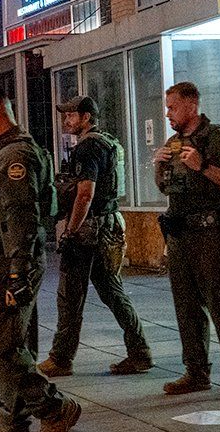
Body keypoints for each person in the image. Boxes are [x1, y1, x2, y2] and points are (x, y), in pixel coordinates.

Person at [0, 86, 81, 432]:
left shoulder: (15, 155)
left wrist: (16, 271)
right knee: (1, 346)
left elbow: (21, 215)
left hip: (6, 263)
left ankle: (53, 408)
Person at [38, 96, 152, 378]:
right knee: (112, 291)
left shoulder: (88, 148)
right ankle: (140, 352)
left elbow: (85, 193)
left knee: (69, 297)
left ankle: (61, 359)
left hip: (89, 229)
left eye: (71, 116)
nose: (67, 121)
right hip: (110, 223)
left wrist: (70, 230)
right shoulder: (108, 142)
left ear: (86, 117)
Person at [152, 81, 220, 399]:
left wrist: (203, 166)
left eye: (173, 107)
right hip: (181, 235)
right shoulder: (174, 143)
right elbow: (168, 189)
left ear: (191, 106)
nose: (168, 113)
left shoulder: (217, 139)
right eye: (167, 107)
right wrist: (160, 166)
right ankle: (196, 373)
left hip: (212, 235)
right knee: (186, 308)